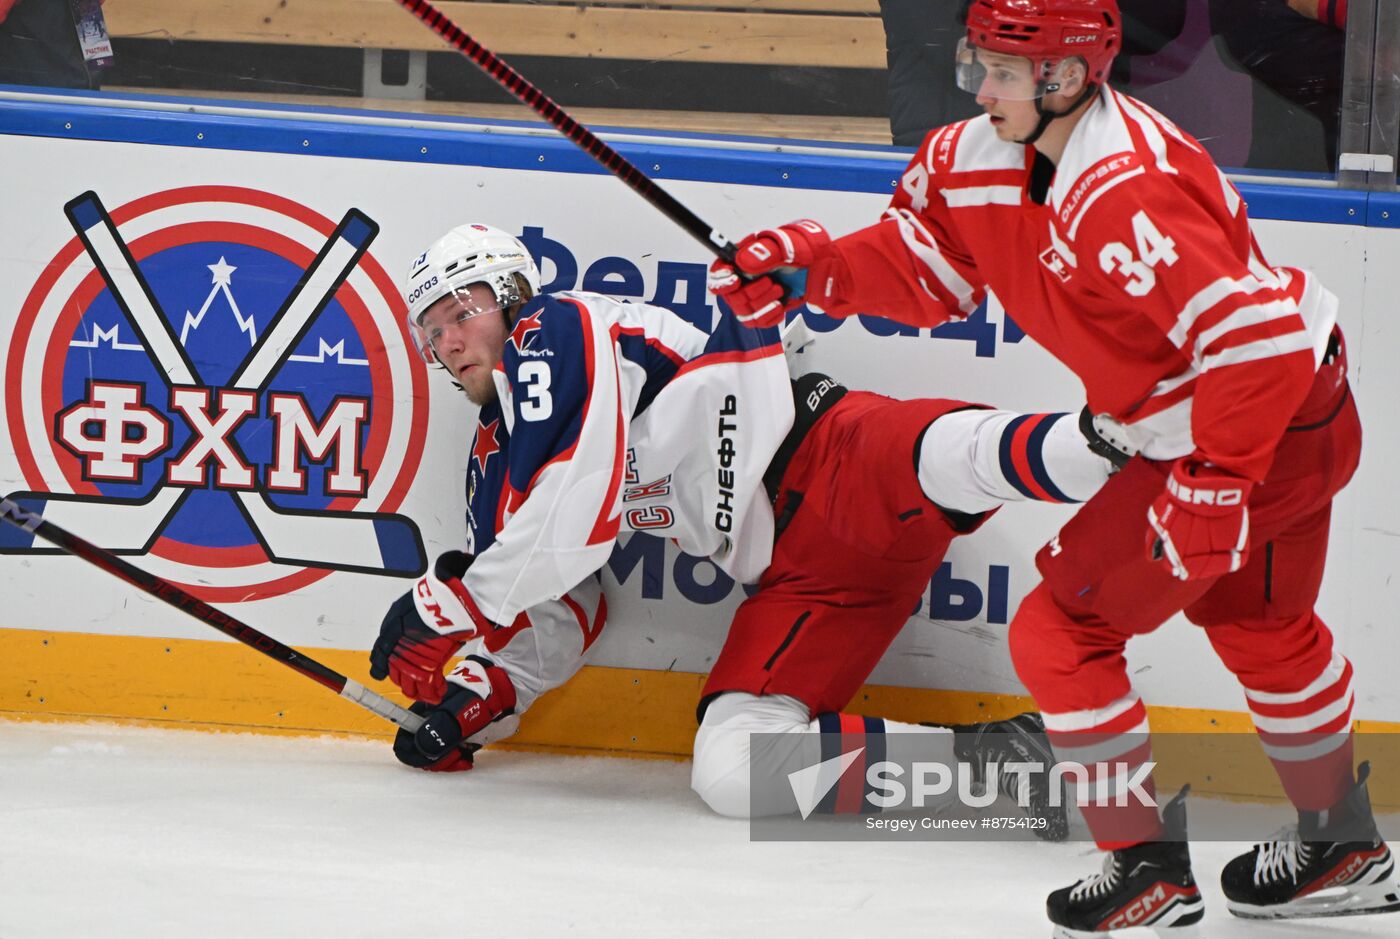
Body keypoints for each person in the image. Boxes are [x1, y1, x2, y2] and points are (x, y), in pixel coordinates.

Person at [707, 0, 1395, 930]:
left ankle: (1144, 866)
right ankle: (1341, 845)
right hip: (1294, 407)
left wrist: (1216, 482)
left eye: (1000, 71)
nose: (979, 87)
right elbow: (928, 271)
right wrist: (814, 268)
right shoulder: (968, 156)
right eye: (976, 62)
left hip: (1250, 421)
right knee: (1262, 623)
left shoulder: (1127, 186)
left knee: (1059, 633)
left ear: (1065, 79)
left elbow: (1258, 343)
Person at [368, 222, 1127, 832]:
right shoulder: (497, 461)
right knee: (731, 769)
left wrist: (447, 606)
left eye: (463, 311)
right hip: (801, 584)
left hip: (831, 455)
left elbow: (575, 504)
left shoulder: (555, 327)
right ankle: (1007, 767)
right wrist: (471, 703)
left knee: (956, 453)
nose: (451, 341)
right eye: (434, 331)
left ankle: (1136, 443)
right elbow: (560, 607)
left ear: (512, 293)